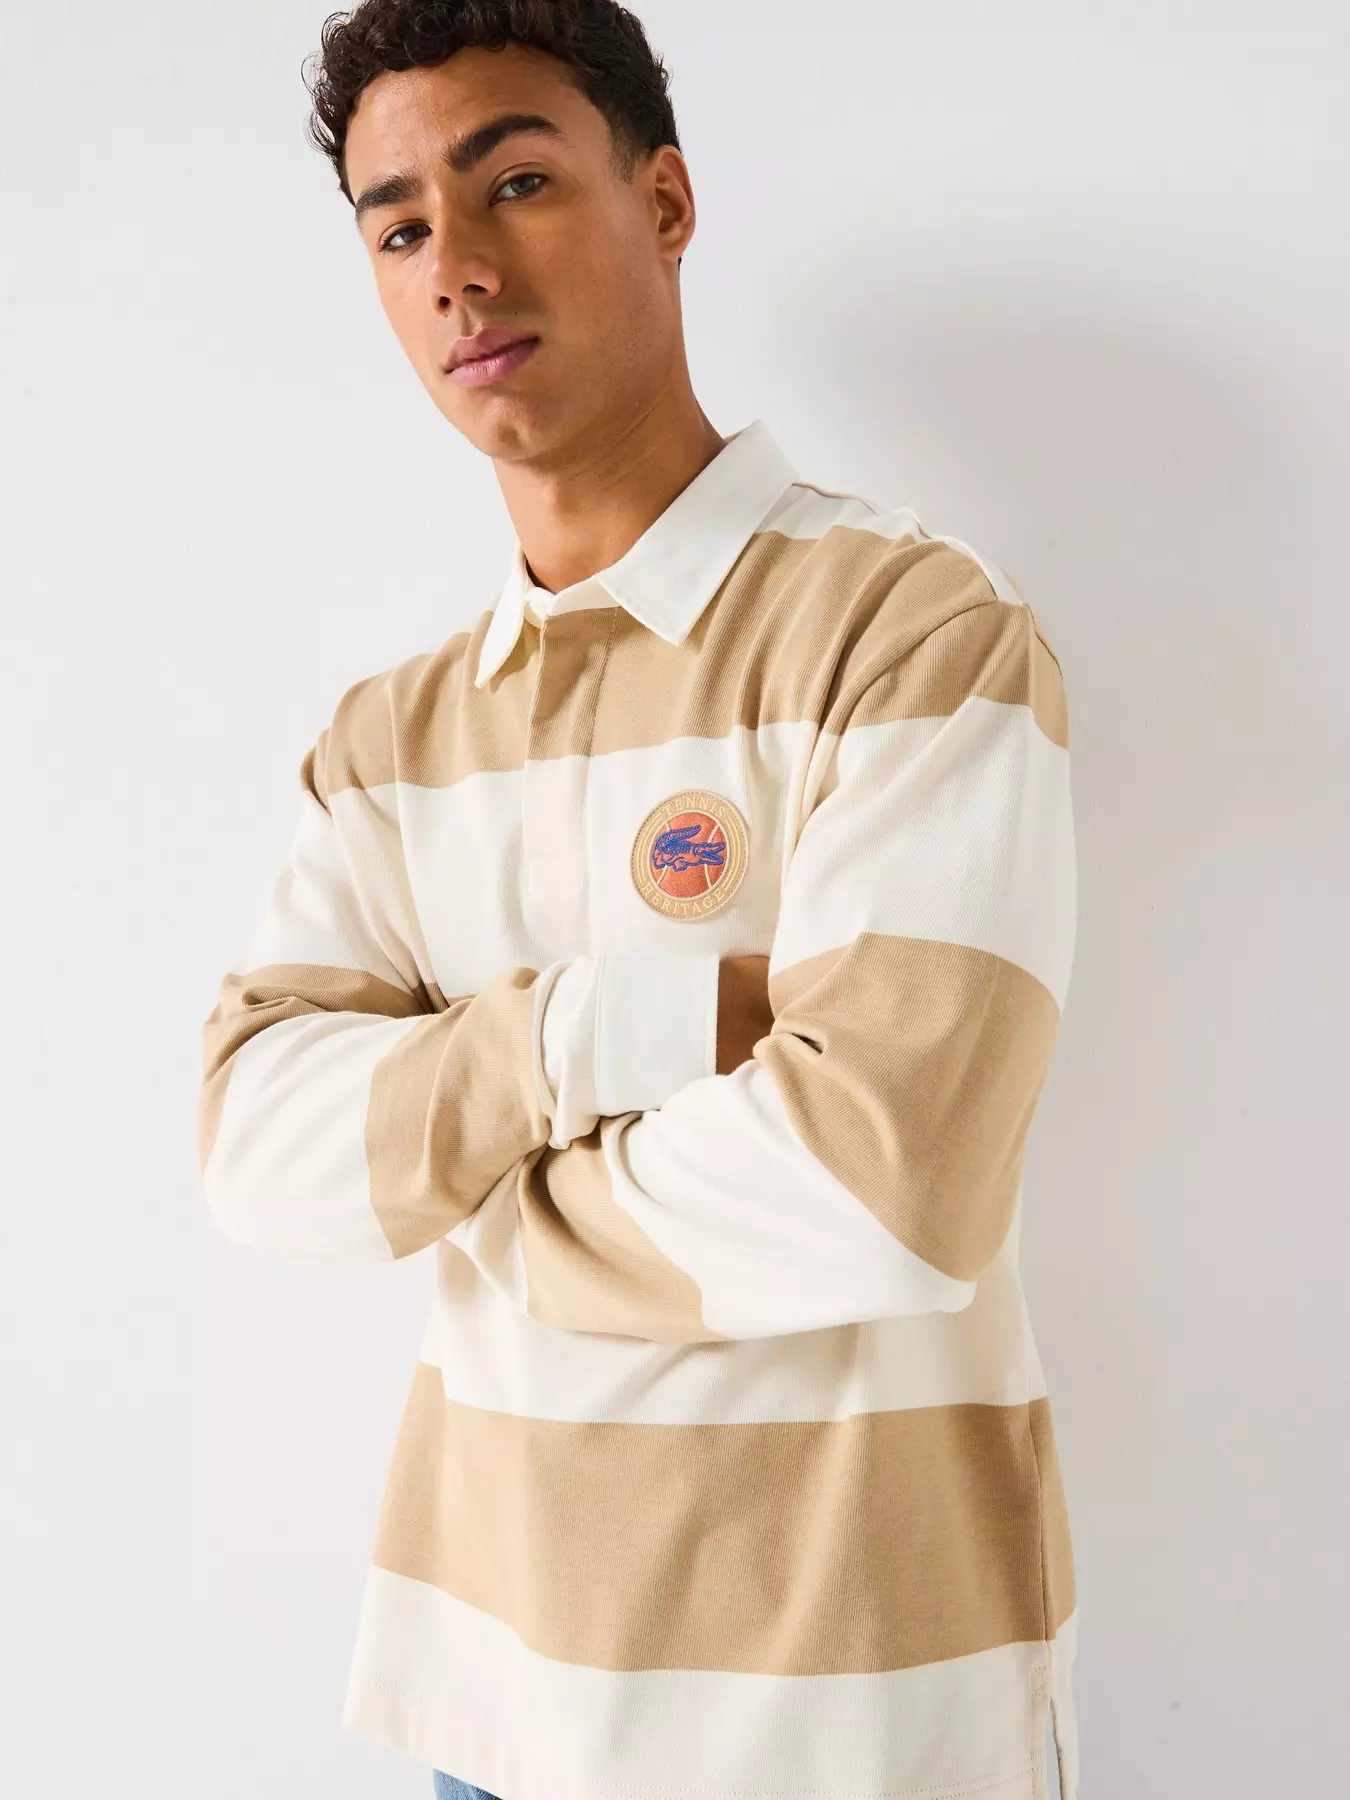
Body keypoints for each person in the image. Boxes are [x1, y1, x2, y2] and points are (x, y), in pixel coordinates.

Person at [197, 3, 1082, 1797]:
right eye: (396, 226)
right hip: (489, 1720)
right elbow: (258, 1156)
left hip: (847, 1724)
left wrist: (461, 1189)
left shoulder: (907, 630)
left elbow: (883, 1193)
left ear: (662, 201)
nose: (456, 264)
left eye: (515, 181)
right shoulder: (386, 743)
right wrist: (624, 1031)